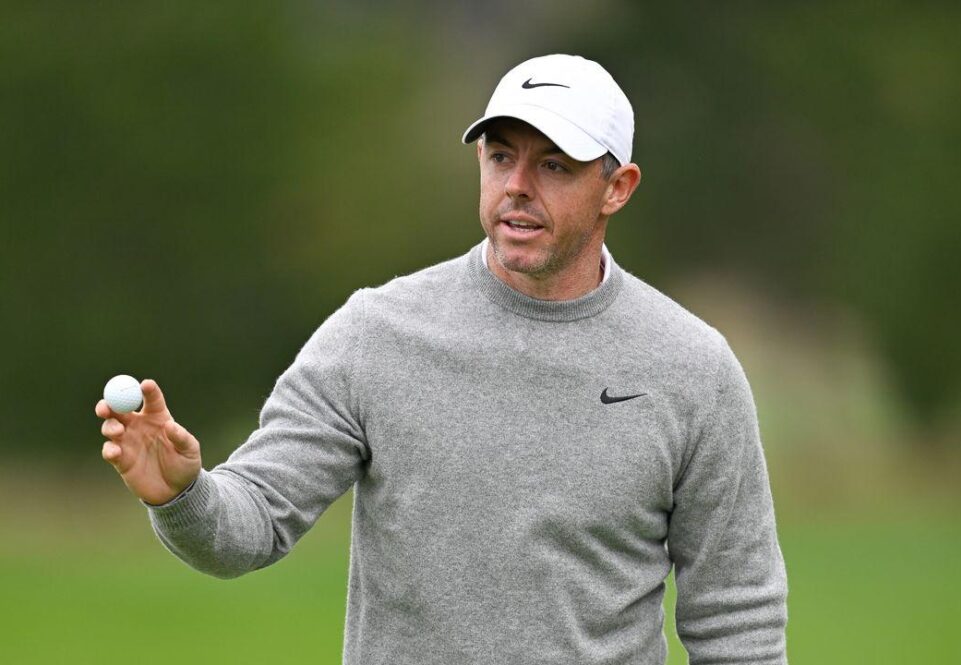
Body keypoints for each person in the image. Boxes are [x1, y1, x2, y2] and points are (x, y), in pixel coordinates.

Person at [96, 54, 788, 664]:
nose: (517, 185)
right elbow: (253, 522)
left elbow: (737, 616)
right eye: (501, 156)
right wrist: (183, 495)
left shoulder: (692, 367)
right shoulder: (376, 333)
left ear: (618, 187)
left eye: (554, 165)